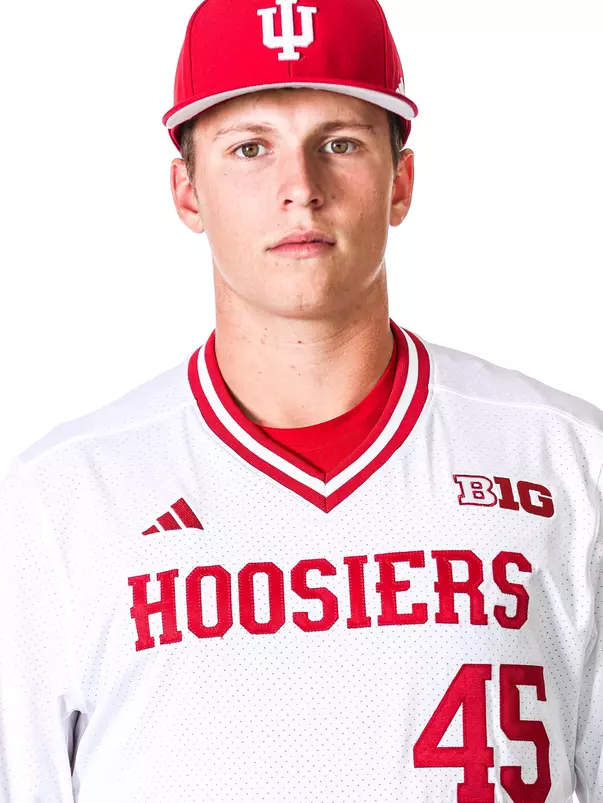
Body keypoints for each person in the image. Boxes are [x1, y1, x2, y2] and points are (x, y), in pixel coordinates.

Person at [0, 0, 602, 800]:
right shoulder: (62, 502)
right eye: (250, 148)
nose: (300, 189)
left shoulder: (565, 460)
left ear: (400, 180)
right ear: (186, 191)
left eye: (340, 143)